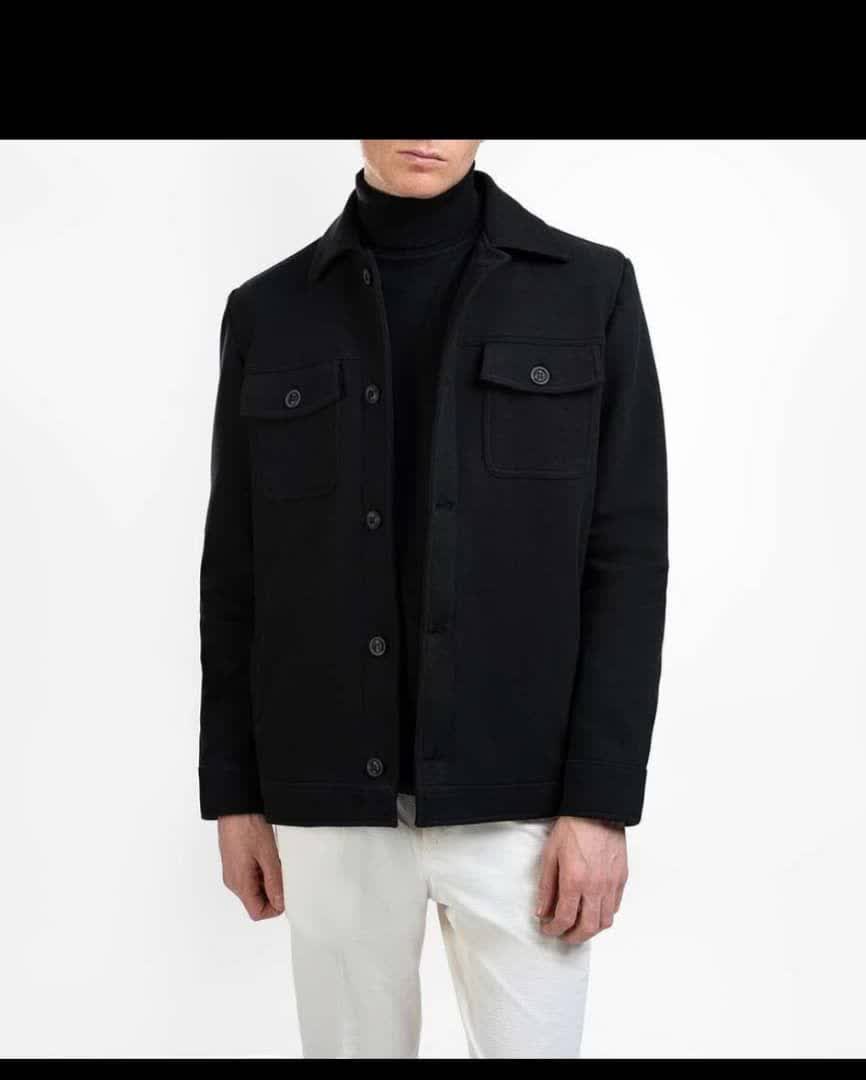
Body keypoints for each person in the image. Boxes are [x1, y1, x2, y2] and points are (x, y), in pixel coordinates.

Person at [198, 139, 668, 1058]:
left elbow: (627, 561)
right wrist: (235, 793)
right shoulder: (269, 310)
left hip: (527, 804)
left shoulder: (590, 291)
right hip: (330, 797)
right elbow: (235, 572)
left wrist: (600, 804)